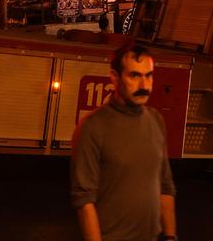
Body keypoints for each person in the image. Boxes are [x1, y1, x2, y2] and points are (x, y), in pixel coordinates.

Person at [70, 43, 177, 241]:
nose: (144, 86)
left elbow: (166, 187)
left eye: (149, 75)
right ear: (114, 77)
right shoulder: (93, 127)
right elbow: (84, 200)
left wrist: (170, 237)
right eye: (134, 76)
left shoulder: (156, 120)